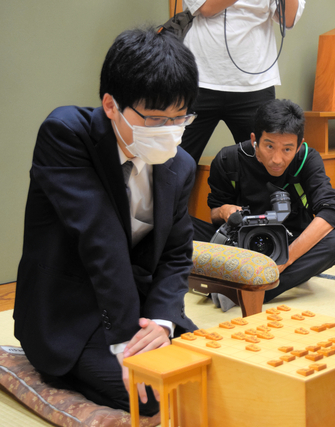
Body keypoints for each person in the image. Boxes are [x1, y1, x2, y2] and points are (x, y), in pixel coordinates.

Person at [14, 28, 200, 416]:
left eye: (180, 118)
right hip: (71, 310)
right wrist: (126, 342)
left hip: (139, 302)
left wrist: (162, 323)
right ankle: (65, 369)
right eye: (154, 118)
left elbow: (178, 253)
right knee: (153, 396)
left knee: (211, 371)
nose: (168, 131)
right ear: (111, 105)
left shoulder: (179, 163)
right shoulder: (66, 134)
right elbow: (102, 241)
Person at [192, 99, 335, 306]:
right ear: (254, 139)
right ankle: (234, 281)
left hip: (289, 243)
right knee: (175, 226)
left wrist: (285, 261)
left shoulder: (306, 160)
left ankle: (254, 290)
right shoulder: (228, 160)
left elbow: (332, 210)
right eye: (269, 146)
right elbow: (214, 214)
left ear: (299, 144)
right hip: (240, 247)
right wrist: (224, 210)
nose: (277, 159)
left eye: (287, 149)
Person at [180, 0, 305, 164]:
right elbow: (207, 8)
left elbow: (288, 18)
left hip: (256, 82)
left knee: (263, 164)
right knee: (175, 164)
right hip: (199, 79)